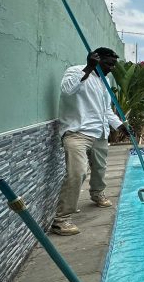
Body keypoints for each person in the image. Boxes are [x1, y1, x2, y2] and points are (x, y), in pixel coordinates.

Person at [52, 47, 126, 236]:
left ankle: (97, 194)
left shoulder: (105, 80)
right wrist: (87, 68)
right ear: (96, 59)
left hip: (99, 132)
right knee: (77, 173)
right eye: (108, 64)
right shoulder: (76, 71)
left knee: (100, 169)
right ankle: (61, 220)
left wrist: (119, 125)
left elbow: (106, 110)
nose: (111, 68)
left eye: (113, 65)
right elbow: (67, 90)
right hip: (77, 132)